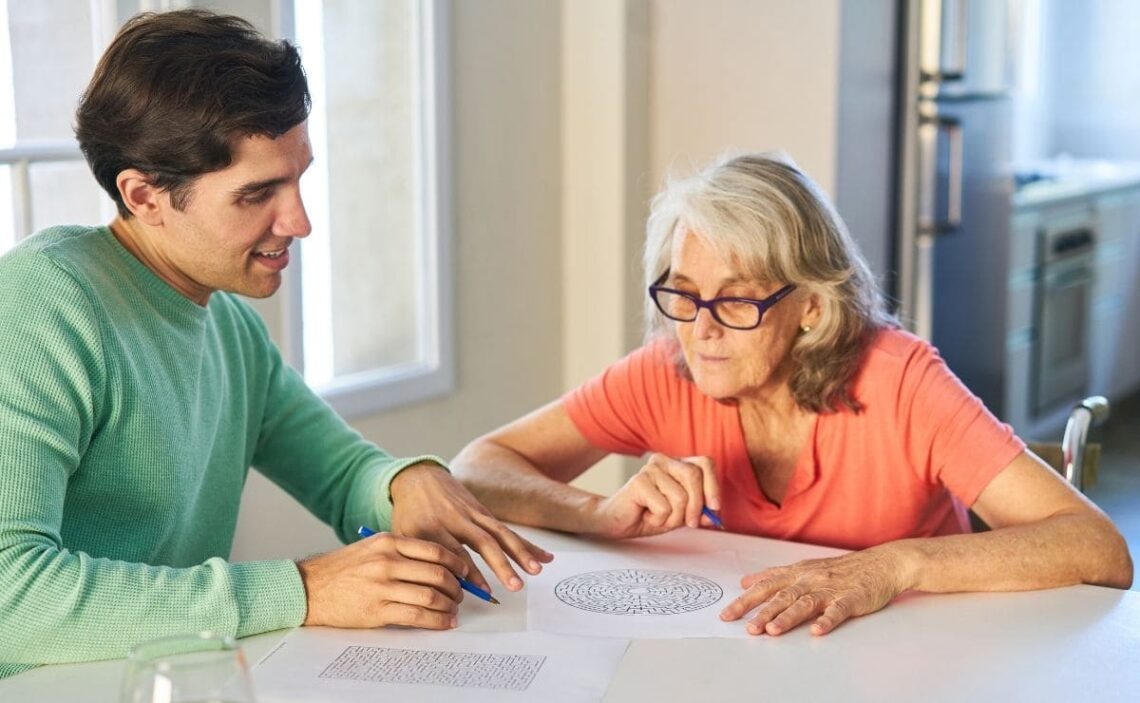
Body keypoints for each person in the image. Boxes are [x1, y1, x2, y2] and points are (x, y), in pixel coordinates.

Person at [0, 9, 550, 678]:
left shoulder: (227, 326)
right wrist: (305, 587)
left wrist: (407, 481)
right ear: (145, 195)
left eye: (298, 177)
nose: (299, 220)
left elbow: (344, 472)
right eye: (257, 193)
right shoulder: (43, 302)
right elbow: (12, 598)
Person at [452, 151, 1133, 637]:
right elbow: (477, 468)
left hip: (912, 664)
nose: (703, 330)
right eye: (683, 296)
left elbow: (1099, 548)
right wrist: (596, 512)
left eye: (738, 301)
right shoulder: (667, 367)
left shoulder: (899, 379)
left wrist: (892, 565)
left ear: (810, 306)